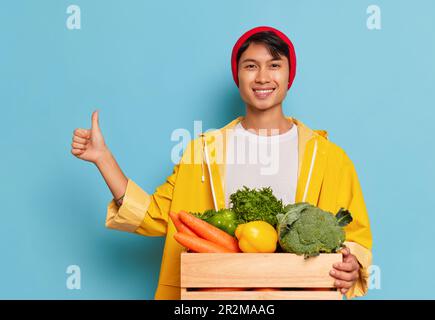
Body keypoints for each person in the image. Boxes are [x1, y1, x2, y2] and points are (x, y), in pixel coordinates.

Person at [71, 26, 372, 300]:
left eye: (274, 65)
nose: (263, 77)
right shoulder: (203, 151)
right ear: (237, 75)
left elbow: (355, 236)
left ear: (289, 76)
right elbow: (155, 216)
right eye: (251, 66)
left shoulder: (330, 158)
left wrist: (351, 262)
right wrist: (103, 159)